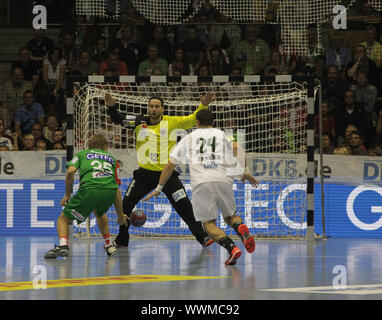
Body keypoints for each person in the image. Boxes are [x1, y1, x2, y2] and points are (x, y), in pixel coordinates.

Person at [144, 109, 258, 265]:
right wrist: (244, 171)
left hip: (202, 182)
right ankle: (240, 227)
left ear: (196, 123)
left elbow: (170, 164)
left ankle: (231, 248)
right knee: (231, 216)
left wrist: (159, 187)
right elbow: (237, 148)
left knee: (208, 224)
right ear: (213, 122)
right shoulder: (222, 134)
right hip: (224, 180)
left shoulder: (188, 138)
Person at [105, 92, 215, 248]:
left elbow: (192, 119)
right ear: (148, 108)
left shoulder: (172, 122)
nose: (154, 109)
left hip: (167, 175)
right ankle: (122, 240)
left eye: (157, 106)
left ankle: (202, 237)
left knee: (184, 204)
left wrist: (204, 105)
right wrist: (111, 106)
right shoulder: (138, 121)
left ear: (162, 109)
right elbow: (119, 118)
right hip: (144, 175)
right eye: (151, 106)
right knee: (125, 205)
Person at [44, 134, 127, 259]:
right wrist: (120, 215)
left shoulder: (82, 154)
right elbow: (117, 191)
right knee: (99, 213)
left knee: (63, 219)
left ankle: (63, 245)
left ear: (89, 146)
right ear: (105, 146)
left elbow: (70, 171)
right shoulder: (112, 159)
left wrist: (67, 195)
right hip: (108, 192)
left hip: (89, 190)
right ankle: (109, 245)